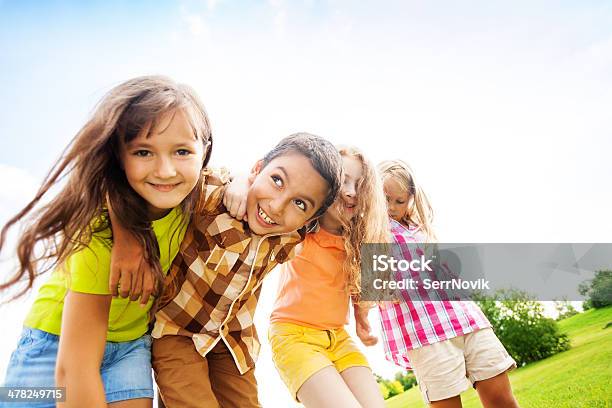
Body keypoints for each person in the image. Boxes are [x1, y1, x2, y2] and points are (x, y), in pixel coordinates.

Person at [0, 75, 213, 407]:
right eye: (143, 152)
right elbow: (75, 369)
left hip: (129, 346)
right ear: (119, 156)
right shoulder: (95, 233)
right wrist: (124, 233)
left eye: (182, 151)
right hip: (53, 347)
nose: (166, 170)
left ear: (206, 150)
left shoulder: (198, 196)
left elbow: (238, 181)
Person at [109, 133, 343, 408]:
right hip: (177, 331)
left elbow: (350, 218)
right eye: (277, 180)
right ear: (257, 169)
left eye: (299, 203)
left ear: (310, 219)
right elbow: (196, 173)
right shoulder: (215, 198)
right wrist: (240, 179)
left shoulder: (291, 237)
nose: (277, 207)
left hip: (233, 339)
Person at [224, 145, 389, 407]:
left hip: (338, 337)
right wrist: (242, 181)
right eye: (343, 180)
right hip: (294, 337)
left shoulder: (357, 243)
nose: (350, 191)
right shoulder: (297, 230)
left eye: (360, 185)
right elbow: (260, 190)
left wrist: (361, 319)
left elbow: (355, 286)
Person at [356, 159, 520, 408]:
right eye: (385, 198)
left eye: (400, 201)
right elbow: (374, 287)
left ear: (410, 199)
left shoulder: (419, 228)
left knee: (501, 399)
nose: (391, 207)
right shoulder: (370, 230)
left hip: (465, 318)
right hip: (424, 332)